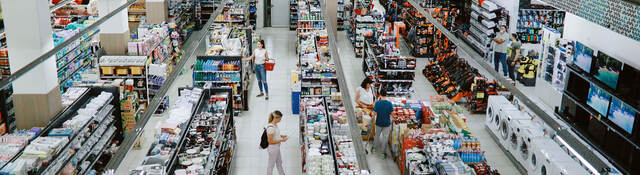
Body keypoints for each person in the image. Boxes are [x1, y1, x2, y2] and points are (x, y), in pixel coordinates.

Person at [372, 90, 393, 159]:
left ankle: (374, 148)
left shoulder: (377, 103)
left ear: (380, 95)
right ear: (386, 95)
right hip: (386, 123)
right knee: (385, 138)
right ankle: (383, 153)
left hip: (378, 122)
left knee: (376, 136)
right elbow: (391, 114)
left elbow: (374, 113)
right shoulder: (389, 104)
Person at [266, 110, 286, 175]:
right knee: (271, 165)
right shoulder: (271, 128)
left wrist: (281, 136)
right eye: (279, 119)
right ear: (275, 118)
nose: (280, 120)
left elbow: (275, 135)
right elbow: (270, 141)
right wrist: (282, 140)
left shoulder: (275, 125)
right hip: (273, 148)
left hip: (276, 147)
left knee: (279, 162)